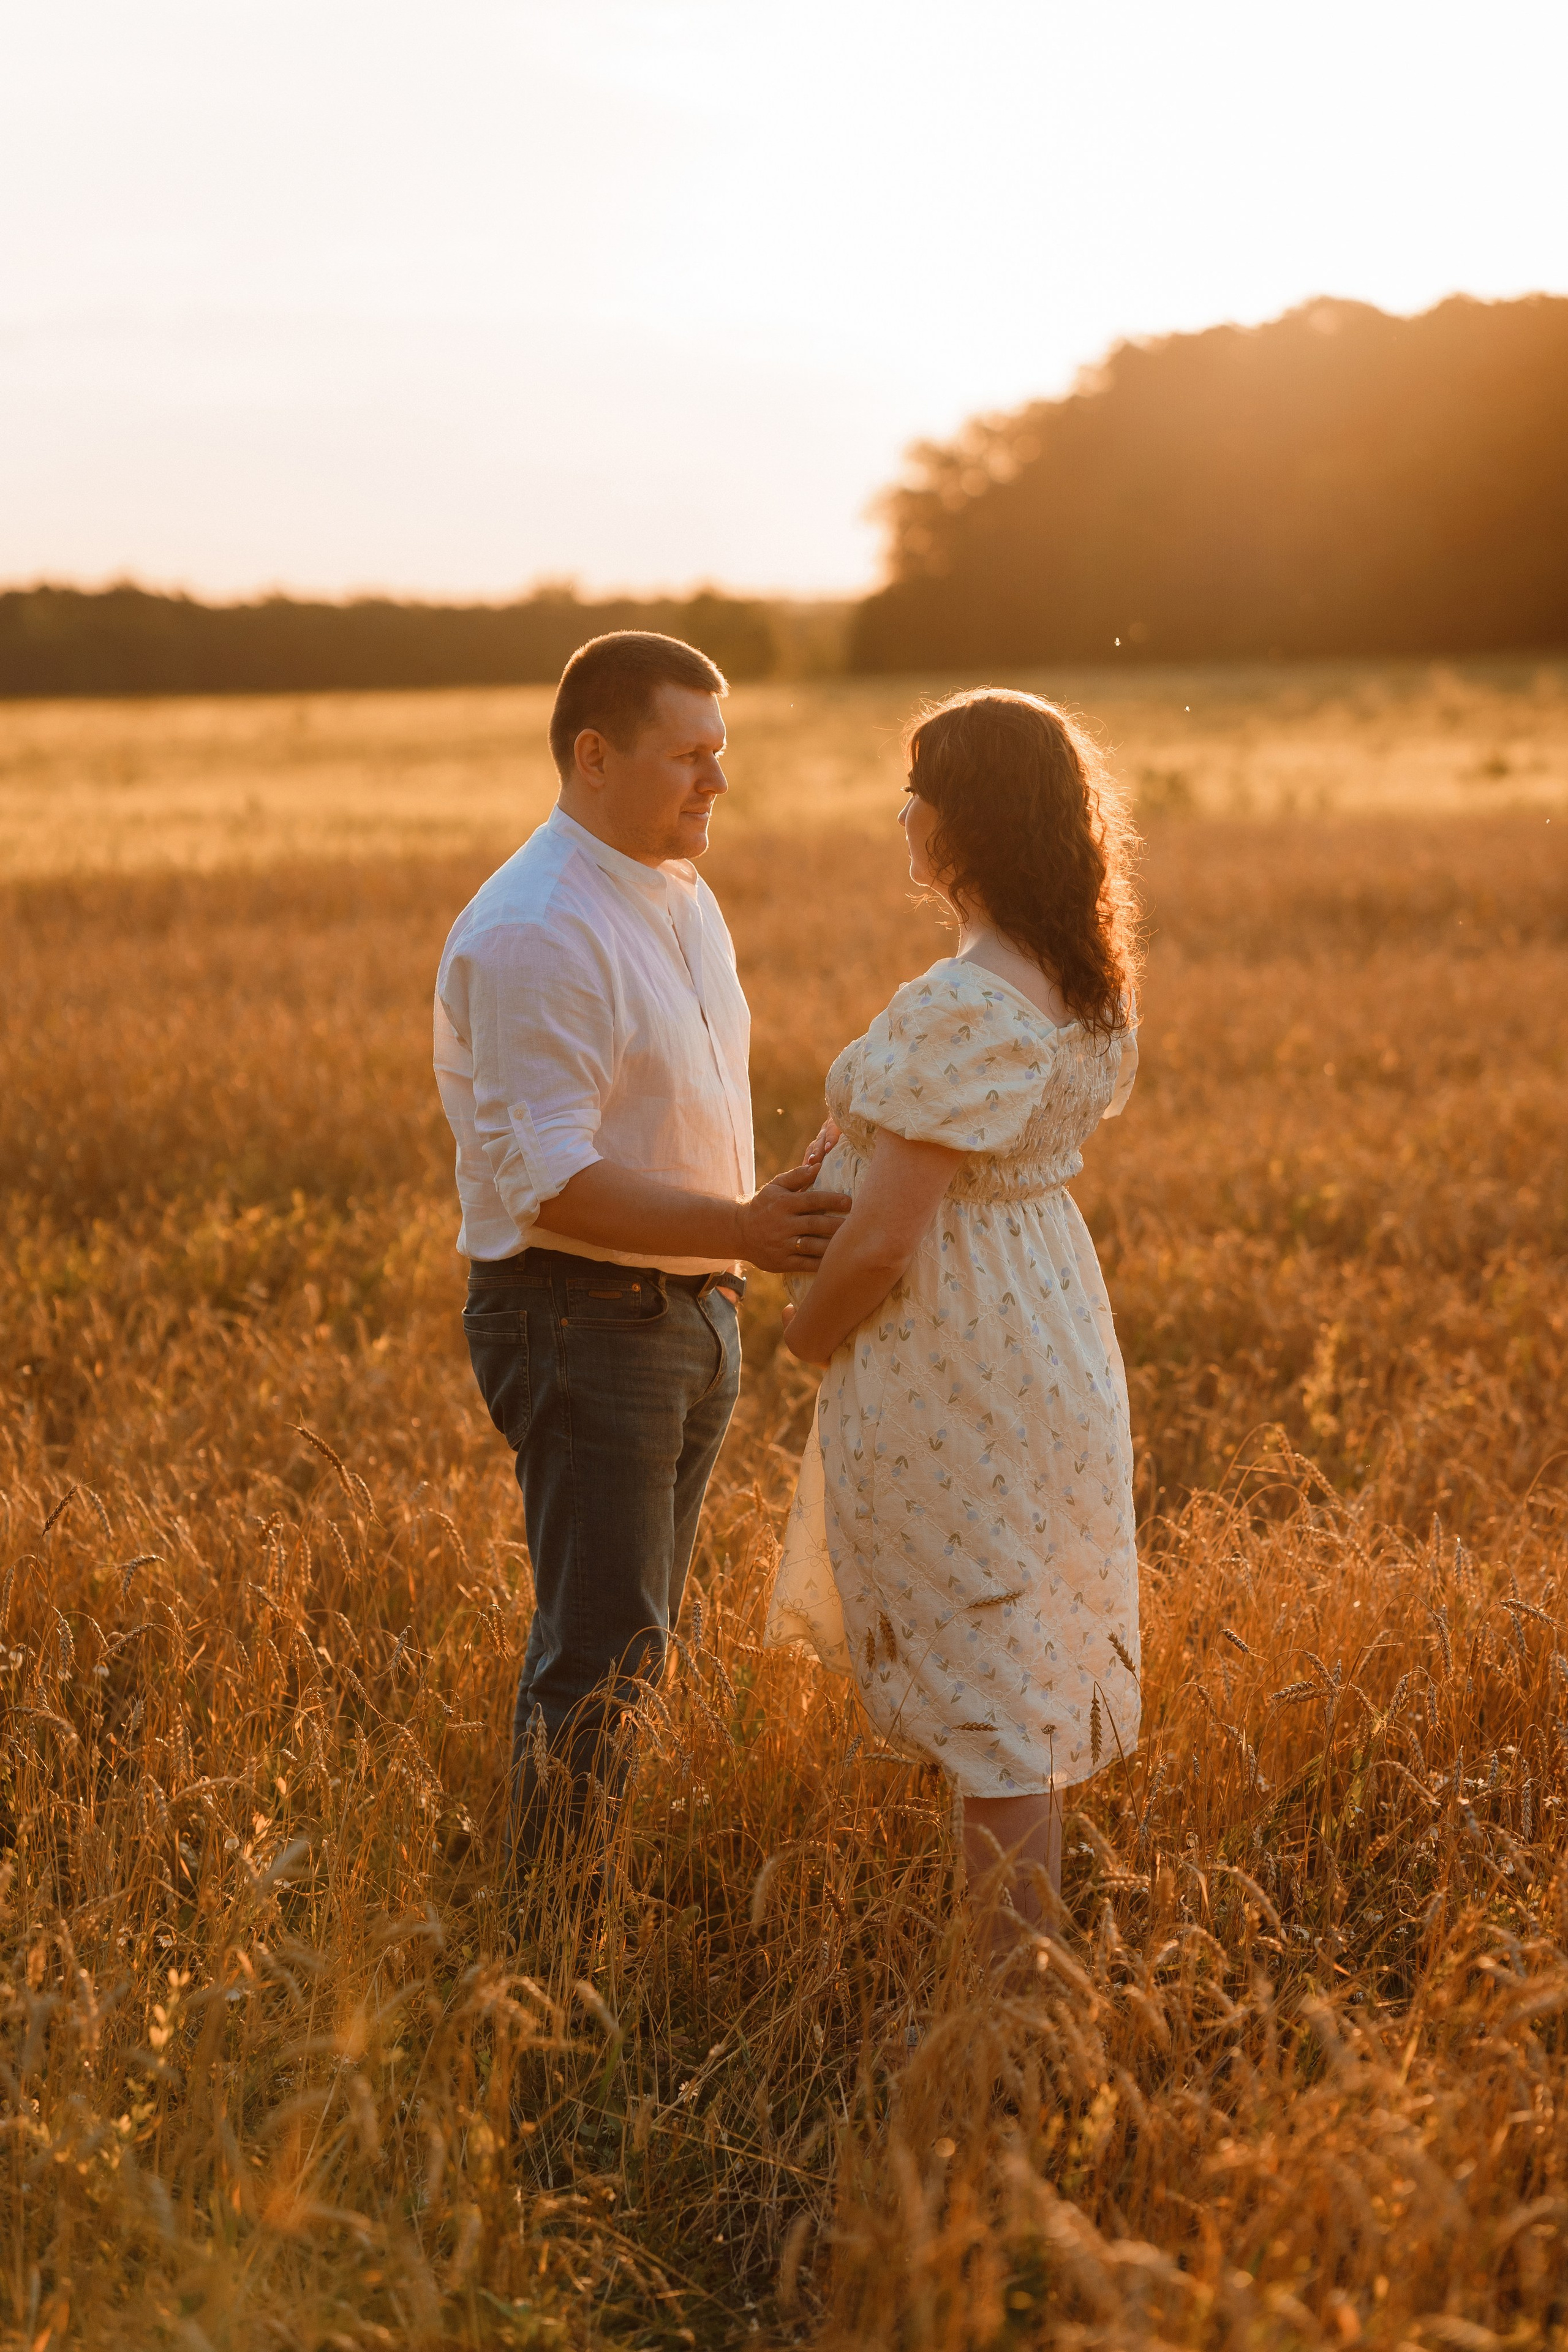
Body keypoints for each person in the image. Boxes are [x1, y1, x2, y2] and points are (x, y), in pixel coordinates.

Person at [434, 631, 850, 1880]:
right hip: (578, 1316)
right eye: (688, 756)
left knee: (637, 1643)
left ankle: (561, 1903)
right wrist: (735, 1228)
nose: (715, 781)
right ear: (594, 755)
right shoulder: (535, 929)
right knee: (603, 1648)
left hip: (679, 1310)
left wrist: (753, 1207)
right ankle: (542, 1947)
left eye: (721, 755)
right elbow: (550, 1179)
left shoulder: (679, 894)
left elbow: (663, 1113)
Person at [766, 687, 1141, 1933]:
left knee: (987, 1699)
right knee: (1009, 1664)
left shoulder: (965, 998)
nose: (902, 813)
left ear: (961, 821)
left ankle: (999, 2013)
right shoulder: (1074, 977)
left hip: (952, 1337)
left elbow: (882, 1238)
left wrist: (800, 1333)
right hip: (1040, 1315)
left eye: (915, 790)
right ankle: (1011, 1991)